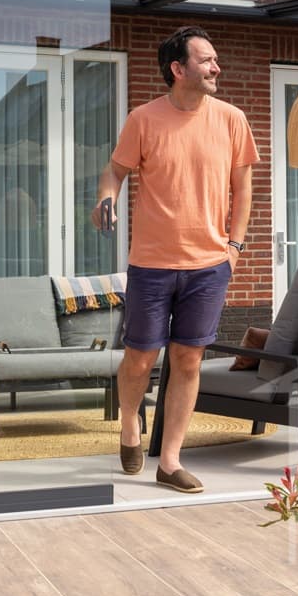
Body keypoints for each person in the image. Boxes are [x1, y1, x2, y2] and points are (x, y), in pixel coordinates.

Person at [91, 26, 259, 494]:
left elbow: (243, 188)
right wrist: (107, 198)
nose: (216, 68)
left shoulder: (231, 119)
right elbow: (115, 170)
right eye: (206, 60)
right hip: (151, 263)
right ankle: (129, 424)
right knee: (140, 359)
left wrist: (235, 248)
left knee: (188, 361)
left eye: (215, 60)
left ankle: (169, 460)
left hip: (209, 264)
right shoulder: (144, 119)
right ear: (178, 69)